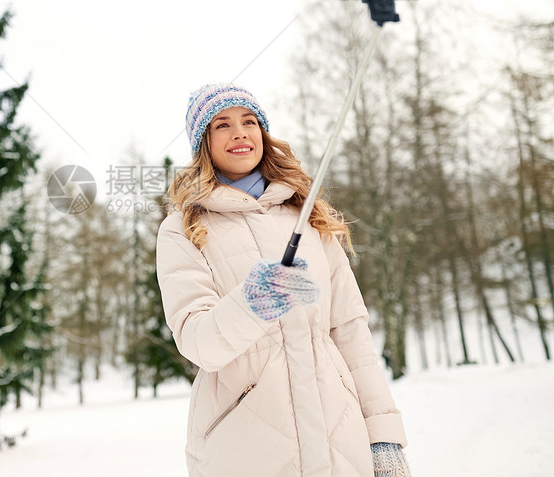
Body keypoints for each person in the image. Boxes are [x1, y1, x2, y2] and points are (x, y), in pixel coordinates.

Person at [156, 84, 410, 477]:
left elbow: (350, 331)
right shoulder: (184, 230)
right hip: (246, 448)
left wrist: (382, 433)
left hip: (339, 439)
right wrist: (252, 303)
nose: (240, 132)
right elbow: (199, 343)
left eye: (249, 121)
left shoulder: (308, 216)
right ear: (203, 143)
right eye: (222, 124)